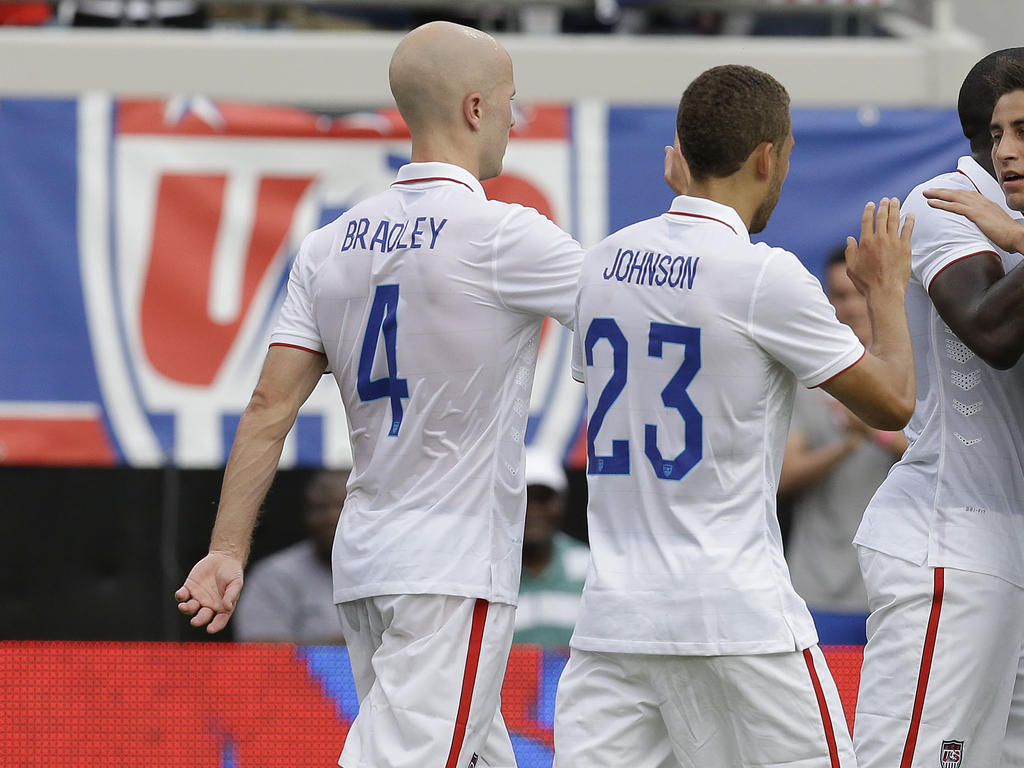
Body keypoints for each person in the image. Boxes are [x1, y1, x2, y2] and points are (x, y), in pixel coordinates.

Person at [174, 21, 585, 768]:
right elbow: (633, 324)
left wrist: (226, 550)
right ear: (473, 108)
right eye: (509, 101)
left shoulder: (328, 246)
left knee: (481, 753)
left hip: (367, 563)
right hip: (452, 568)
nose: (514, 120)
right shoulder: (506, 235)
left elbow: (270, 407)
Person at [554, 64, 915, 768]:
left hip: (614, 623)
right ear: (766, 158)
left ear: (681, 156)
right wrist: (887, 289)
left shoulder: (600, 264)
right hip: (736, 615)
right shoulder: (763, 274)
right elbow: (894, 399)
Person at [851, 50, 1024, 768]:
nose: (1007, 150)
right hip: (950, 540)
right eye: (998, 132)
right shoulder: (944, 201)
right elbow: (991, 331)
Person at [780, 246, 907, 644]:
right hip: (814, 586)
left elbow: (944, 459)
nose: (849, 307)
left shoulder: (910, 374)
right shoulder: (805, 376)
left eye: (858, 293)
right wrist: (850, 441)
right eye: (839, 295)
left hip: (893, 590)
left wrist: (874, 424)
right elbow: (784, 475)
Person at [233, 470, 349, 644]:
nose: (331, 517)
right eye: (320, 507)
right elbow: (259, 652)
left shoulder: (392, 567)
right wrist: (348, 649)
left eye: (344, 506)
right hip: (308, 672)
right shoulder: (275, 575)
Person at [513, 450, 588, 646]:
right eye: (524, 498)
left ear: (562, 502)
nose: (534, 510)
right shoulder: (487, 573)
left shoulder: (590, 568)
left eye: (544, 499)